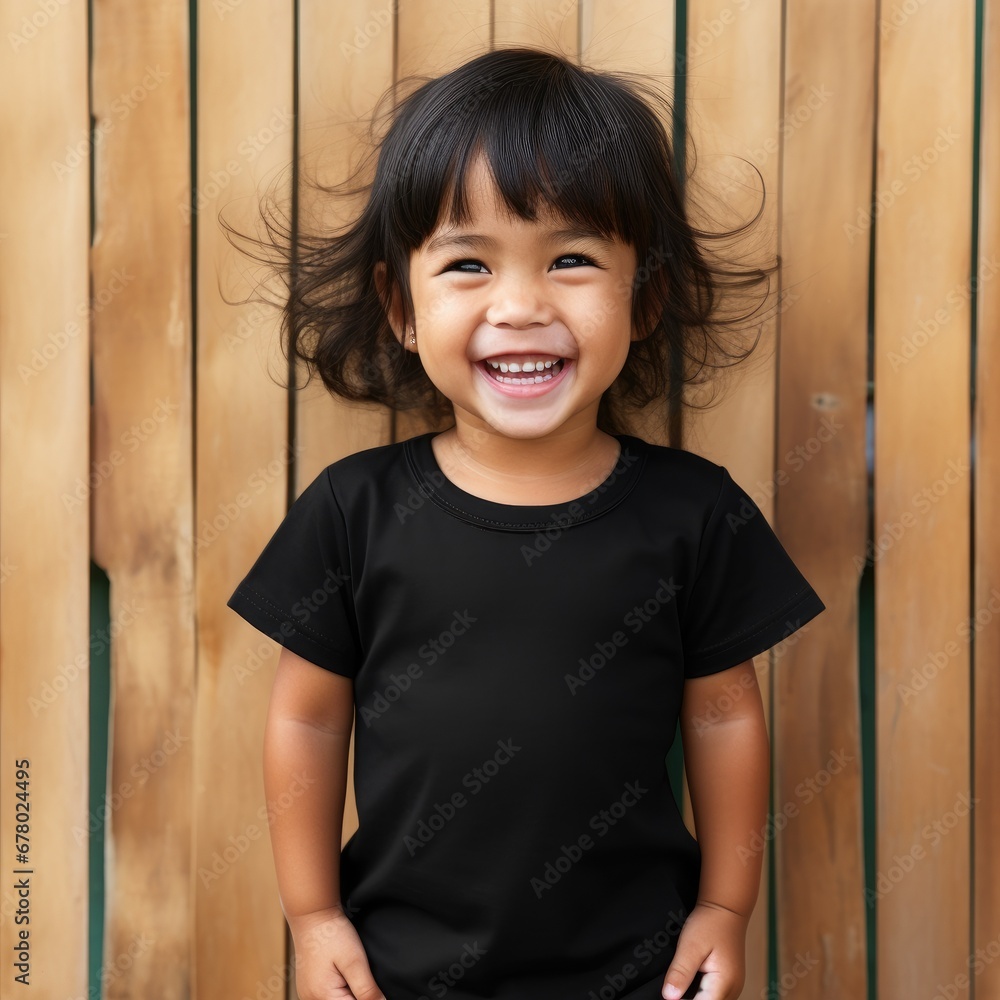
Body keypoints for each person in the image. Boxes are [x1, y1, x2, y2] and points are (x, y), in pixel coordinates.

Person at [225, 46, 826, 1000]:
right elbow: (304, 717)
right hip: (397, 972)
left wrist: (726, 908)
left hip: (640, 973)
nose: (519, 305)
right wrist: (312, 916)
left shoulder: (695, 513)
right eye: (468, 263)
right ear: (401, 307)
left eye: (573, 259)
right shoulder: (354, 511)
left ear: (647, 298)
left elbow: (722, 715)